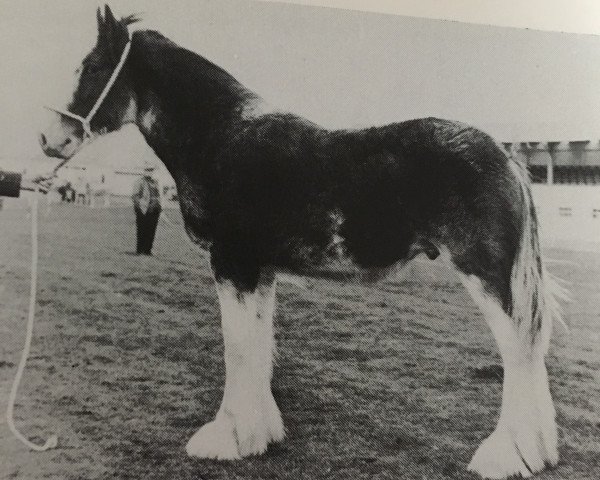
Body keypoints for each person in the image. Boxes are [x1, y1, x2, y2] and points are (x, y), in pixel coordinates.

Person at [131, 164, 162, 255]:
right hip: (143, 209)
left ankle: (148, 250)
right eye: (147, 170)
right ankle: (140, 250)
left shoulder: (155, 182)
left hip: (155, 209)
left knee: (151, 230)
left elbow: (157, 195)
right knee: (142, 230)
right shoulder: (139, 182)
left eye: (151, 170)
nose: (149, 172)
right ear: (144, 171)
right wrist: (139, 208)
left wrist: (159, 206)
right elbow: (135, 196)